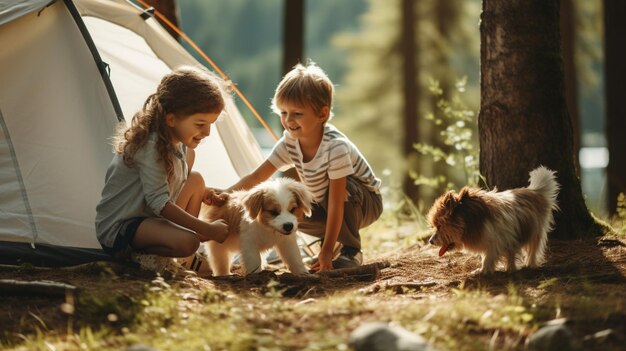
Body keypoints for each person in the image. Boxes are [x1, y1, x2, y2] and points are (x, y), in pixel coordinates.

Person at [214, 62, 382, 272]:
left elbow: (337, 203)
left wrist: (327, 251)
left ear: (322, 114)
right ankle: (326, 244)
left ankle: (350, 250)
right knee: (285, 213)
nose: (288, 120)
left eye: (297, 114)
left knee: (340, 188)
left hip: (364, 203)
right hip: (326, 204)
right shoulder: (290, 143)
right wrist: (225, 194)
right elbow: (257, 175)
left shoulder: (335, 147)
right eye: (283, 113)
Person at [95, 66, 229, 273]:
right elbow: (159, 203)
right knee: (189, 242)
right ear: (171, 119)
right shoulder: (150, 147)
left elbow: (170, 187)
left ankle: (179, 254)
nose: (207, 132)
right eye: (200, 123)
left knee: (196, 181)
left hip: (150, 219)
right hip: (122, 229)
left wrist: (205, 193)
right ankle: (146, 258)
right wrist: (206, 229)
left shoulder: (183, 148)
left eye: (211, 124)